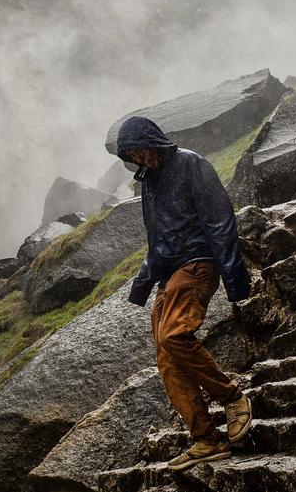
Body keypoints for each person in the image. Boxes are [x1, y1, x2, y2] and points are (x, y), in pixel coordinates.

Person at [115, 116, 252, 472]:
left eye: (142, 149)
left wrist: (235, 279)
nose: (141, 158)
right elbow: (158, 241)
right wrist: (142, 285)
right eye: (133, 155)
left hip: (198, 264)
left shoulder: (190, 164)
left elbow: (221, 221)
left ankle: (233, 398)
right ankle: (206, 438)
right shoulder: (149, 182)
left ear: (154, 140)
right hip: (170, 276)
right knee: (167, 359)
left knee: (174, 333)